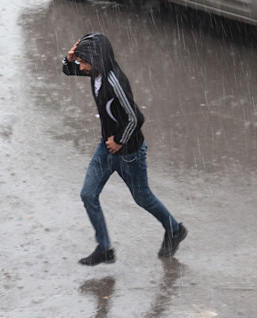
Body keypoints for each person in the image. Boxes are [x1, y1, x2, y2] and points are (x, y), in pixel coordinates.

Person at [62, 32, 187, 266]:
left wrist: (119, 141)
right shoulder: (95, 72)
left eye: (83, 61)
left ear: (96, 60)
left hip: (129, 153)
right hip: (105, 148)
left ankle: (175, 230)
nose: (81, 66)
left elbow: (135, 118)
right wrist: (69, 60)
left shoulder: (114, 82)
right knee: (88, 194)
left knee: (143, 198)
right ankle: (104, 248)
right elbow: (69, 71)